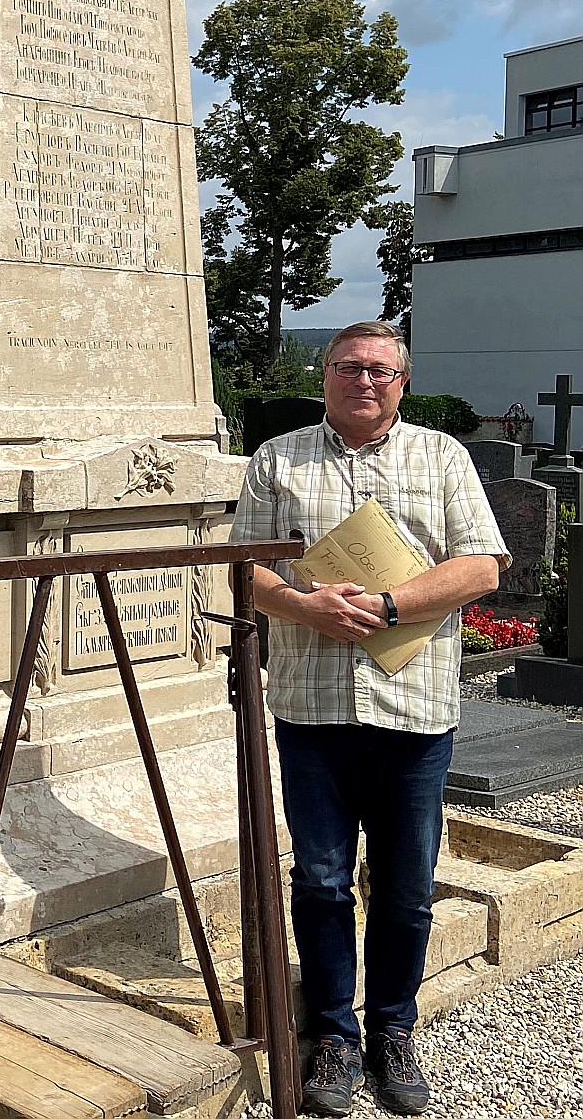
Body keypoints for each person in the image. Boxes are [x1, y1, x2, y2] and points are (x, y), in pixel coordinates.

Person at [230, 321, 507, 1117]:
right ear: (325, 374)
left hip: (413, 705)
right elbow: (244, 568)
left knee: (407, 887)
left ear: (402, 383)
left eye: (382, 371)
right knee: (319, 881)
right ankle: (333, 1038)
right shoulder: (277, 459)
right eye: (350, 365)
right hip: (312, 706)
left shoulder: (443, 457)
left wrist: (388, 605)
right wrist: (302, 605)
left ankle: (392, 1029)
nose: (366, 380)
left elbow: (483, 565)